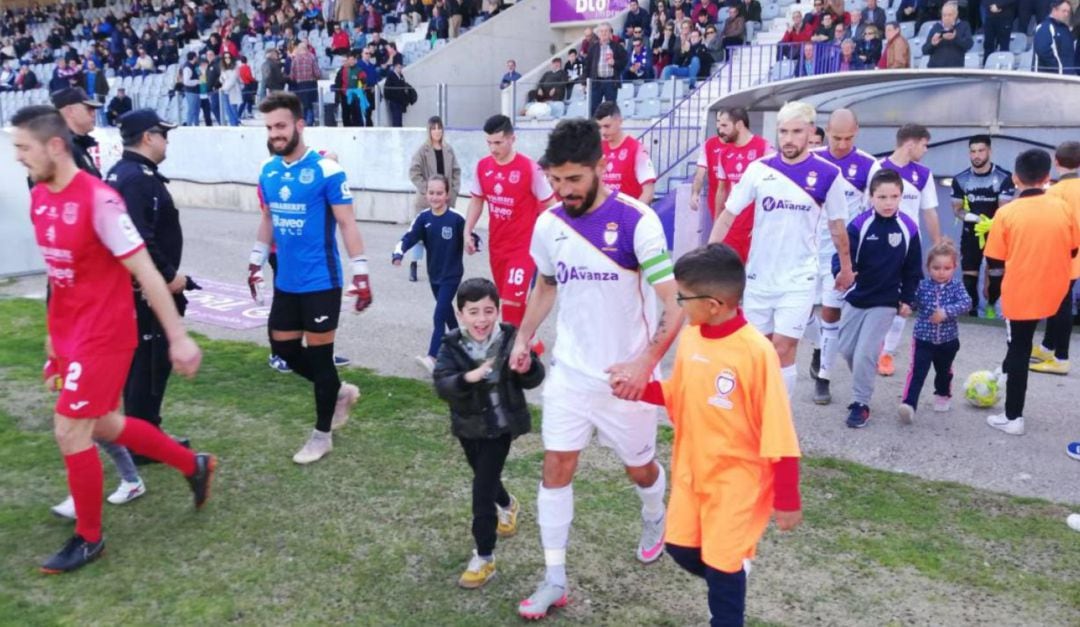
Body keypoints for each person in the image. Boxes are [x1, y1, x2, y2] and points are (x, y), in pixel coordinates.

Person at [13, 104, 216, 574]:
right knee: (103, 424)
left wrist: (178, 337)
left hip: (105, 332)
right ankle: (193, 465)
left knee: (70, 428)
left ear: (55, 146)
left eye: (25, 148)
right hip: (70, 333)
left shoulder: (100, 200)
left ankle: (89, 538)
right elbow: (60, 275)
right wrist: (52, 339)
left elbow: (145, 272)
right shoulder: (40, 196)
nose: (19, 157)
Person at [510, 119, 682, 619]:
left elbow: (675, 306)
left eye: (574, 180)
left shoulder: (637, 221)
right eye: (556, 181)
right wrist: (523, 337)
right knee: (555, 468)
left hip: (628, 384)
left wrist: (643, 363)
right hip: (570, 375)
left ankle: (655, 514)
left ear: (600, 168)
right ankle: (554, 577)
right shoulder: (550, 223)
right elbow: (545, 286)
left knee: (639, 467)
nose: (564, 191)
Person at [634, 243, 802, 624]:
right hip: (693, 472)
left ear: (713, 303)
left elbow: (780, 429)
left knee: (723, 570)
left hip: (737, 481)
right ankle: (732, 574)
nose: (677, 303)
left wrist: (787, 498)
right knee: (679, 548)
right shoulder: (693, 336)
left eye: (683, 297)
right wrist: (637, 388)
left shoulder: (756, 353)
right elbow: (680, 394)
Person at [247, 92, 370, 463]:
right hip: (287, 280)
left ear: (300, 125)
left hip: (322, 281)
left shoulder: (327, 170)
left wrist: (361, 272)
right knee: (282, 348)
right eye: (269, 127)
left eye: (281, 125)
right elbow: (268, 218)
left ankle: (321, 435)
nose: (275, 133)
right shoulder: (268, 171)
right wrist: (255, 261)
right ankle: (339, 392)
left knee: (320, 357)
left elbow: (347, 223)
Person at [709, 101, 854, 400]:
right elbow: (727, 215)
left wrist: (846, 268)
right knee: (759, 350)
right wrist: (707, 258)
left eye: (796, 131)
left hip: (798, 279)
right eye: (783, 131)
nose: (788, 139)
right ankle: (756, 412)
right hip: (760, 278)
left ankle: (779, 423)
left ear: (811, 132)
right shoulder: (759, 170)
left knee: (783, 348)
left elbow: (839, 228)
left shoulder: (828, 174)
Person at [433, 278, 545, 589]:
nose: (481, 319)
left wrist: (528, 368)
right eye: (473, 312)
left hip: (501, 428)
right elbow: (442, 384)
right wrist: (468, 377)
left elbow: (534, 377)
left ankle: (484, 557)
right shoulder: (451, 345)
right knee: (486, 478)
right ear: (460, 314)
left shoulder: (511, 338)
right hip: (469, 428)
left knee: (481, 490)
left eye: (488, 310)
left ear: (497, 310)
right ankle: (508, 504)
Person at [983, 149, 1079, 436]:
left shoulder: (1007, 213)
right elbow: (1073, 248)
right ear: (1047, 178)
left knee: (1019, 349)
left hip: (1021, 292)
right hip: (1057, 288)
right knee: (1038, 334)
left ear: (1015, 178)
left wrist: (995, 288)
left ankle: (1013, 417)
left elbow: (995, 262)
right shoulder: (1062, 207)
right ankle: (1056, 356)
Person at [834, 169, 923, 428]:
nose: (888, 202)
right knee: (848, 350)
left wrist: (907, 299)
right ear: (871, 197)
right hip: (855, 298)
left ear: (900, 197)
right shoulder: (859, 225)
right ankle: (865, 373)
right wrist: (840, 273)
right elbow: (842, 255)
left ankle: (860, 403)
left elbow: (913, 268)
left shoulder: (908, 228)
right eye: (882, 196)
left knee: (864, 353)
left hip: (885, 302)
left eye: (894, 196)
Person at [808, 109, 876, 405]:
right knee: (804, 313)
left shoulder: (868, 165)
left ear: (857, 131)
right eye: (837, 137)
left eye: (849, 137)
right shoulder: (812, 159)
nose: (842, 144)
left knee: (831, 311)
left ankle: (823, 377)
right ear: (827, 131)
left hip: (840, 253)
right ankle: (819, 346)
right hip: (807, 250)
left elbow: (869, 211)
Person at [464, 115, 555, 330]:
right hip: (497, 247)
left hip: (523, 248)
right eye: (489, 142)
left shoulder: (530, 169)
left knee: (511, 304)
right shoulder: (483, 167)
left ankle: (509, 358)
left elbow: (550, 204)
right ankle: (530, 343)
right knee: (507, 300)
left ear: (512, 139)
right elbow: (477, 200)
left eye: (498, 142)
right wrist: (467, 231)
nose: (493, 148)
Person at [868, 124, 942, 376]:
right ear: (911, 144)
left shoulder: (923, 174)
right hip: (878, 244)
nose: (925, 150)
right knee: (877, 298)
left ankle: (886, 353)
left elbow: (929, 210)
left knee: (905, 300)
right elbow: (864, 207)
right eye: (924, 145)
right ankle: (871, 346)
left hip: (909, 246)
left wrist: (938, 243)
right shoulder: (876, 169)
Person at [393, 176, 467, 371]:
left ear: (447, 195)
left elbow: (471, 234)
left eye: (439, 193)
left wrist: (473, 242)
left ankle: (433, 357)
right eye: (431, 193)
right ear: (426, 194)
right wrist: (399, 253)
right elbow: (409, 236)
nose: (435, 197)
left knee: (439, 315)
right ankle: (466, 347)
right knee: (447, 312)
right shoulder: (423, 218)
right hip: (434, 275)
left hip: (452, 274)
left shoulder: (456, 219)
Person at [898, 240, 971, 424]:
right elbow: (913, 302)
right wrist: (906, 306)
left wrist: (946, 312)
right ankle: (909, 404)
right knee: (917, 371)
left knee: (944, 371)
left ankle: (943, 394)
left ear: (954, 267)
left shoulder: (957, 286)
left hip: (948, 340)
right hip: (923, 339)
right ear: (928, 267)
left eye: (947, 268)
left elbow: (966, 303)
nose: (941, 272)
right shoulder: (922, 286)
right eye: (936, 267)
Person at [1030, 141, 1080, 375]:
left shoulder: (1055, 191)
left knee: (1060, 304)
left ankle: (1061, 358)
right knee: (1059, 301)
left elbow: (1049, 224)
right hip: (1075, 255)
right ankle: (1047, 347)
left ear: (1056, 161)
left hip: (1061, 253)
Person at [951, 135, 1014, 319]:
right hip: (972, 232)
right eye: (973, 151)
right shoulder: (961, 179)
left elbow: (1005, 208)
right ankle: (970, 313)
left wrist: (992, 223)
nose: (976, 155)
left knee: (996, 274)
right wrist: (974, 218)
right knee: (969, 275)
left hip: (997, 232)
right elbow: (957, 209)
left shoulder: (1004, 177)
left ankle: (992, 306)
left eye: (981, 150)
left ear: (989, 151)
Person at [697, 107, 772, 259]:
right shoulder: (724, 153)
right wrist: (718, 221)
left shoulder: (764, 148)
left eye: (725, 126)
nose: (720, 130)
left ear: (738, 125)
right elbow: (722, 190)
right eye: (719, 126)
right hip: (732, 225)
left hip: (756, 226)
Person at [409, 116, 462, 282]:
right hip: (426, 200)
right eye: (434, 128)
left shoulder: (448, 149)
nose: (437, 131)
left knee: (444, 234)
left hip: (445, 199)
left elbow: (456, 171)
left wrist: (452, 191)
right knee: (419, 233)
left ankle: (442, 268)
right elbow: (413, 172)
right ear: (429, 130)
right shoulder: (422, 150)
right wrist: (427, 190)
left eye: (439, 128)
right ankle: (414, 264)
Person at [595, 101, 657, 205]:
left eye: (607, 126)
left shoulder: (636, 149)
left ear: (620, 121)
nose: (603, 132)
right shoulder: (597, 149)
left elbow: (648, 192)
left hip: (627, 218)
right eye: (599, 127)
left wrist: (632, 217)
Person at [51, 87, 103, 178]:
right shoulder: (62, 149)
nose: (94, 114)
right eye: (89, 109)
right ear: (70, 111)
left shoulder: (76, 145)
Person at [585, 23, 628, 116]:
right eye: (601, 31)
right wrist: (583, 83)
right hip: (596, 82)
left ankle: (610, 129)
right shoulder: (593, 48)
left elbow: (625, 62)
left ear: (610, 33)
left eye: (606, 31)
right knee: (594, 108)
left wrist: (615, 63)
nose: (604, 33)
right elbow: (587, 65)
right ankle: (594, 129)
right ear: (599, 34)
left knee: (611, 109)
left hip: (611, 82)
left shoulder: (617, 47)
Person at [921, 2, 973, 68]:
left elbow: (969, 45)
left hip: (955, 70)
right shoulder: (936, 27)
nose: (946, 18)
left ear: (956, 15)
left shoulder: (964, 25)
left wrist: (955, 38)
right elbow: (924, 50)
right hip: (935, 70)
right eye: (944, 15)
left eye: (949, 15)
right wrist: (932, 44)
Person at [1033, 0, 1075, 74]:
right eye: (1064, 11)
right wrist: (1059, 68)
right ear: (1054, 10)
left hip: (1067, 77)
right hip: (1048, 78)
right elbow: (1042, 50)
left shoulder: (1066, 30)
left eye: (1068, 12)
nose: (1066, 14)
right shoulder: (1045, 27)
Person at [289, 42, 321, 125]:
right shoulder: (311, 57)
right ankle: (309, 123)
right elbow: (317, 73)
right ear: (307, 49)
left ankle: (303, 123)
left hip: (300, 85)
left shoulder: (295, 59)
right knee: (310, 104)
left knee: (303, 105)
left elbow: (292, 76)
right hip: (311, 84)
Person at [382, 61, 415, 128]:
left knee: (399, 121)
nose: (400, 69)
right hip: (394, 102)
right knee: (396, 120)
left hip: (400, 102)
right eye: (399, 67)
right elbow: (387, 90)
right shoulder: (391, 76)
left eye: (401, 67)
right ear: (395, 67)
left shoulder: (401, 76)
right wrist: (393, 98)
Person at [334, 51, 362, 127]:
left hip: (355, 95)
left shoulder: (357, 70)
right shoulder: (341, 71)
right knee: (346, 114)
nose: (345, 62)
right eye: (344, 61)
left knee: (356, 115)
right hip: (344, 96)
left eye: (346, 61)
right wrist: (337, 98)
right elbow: (338, 85)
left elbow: (361, 81)